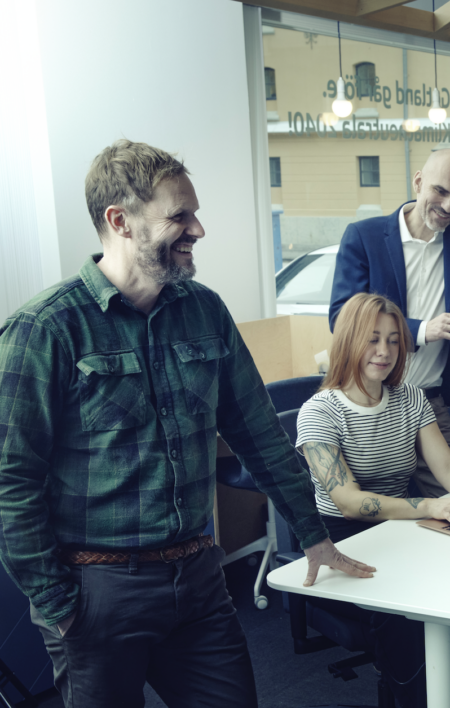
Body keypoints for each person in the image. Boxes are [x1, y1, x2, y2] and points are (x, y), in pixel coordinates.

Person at [0, 140, 373, 708]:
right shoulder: (46, 330)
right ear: (119, 221)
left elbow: (260, 434)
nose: (198, 229)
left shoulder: (205, 311)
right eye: (179, 215)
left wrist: (312, 534)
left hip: (199, 580)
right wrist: (58, 605)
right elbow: (11, 484)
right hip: (97, 592)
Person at [296, 291, 450, 708]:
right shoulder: (319, 412)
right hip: (345, 541)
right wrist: (427, 506)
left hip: (401, 529)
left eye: (393, 340)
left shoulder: (409, 397)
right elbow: (348, 501)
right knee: (406, 622)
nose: (385, 351)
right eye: (373, 339)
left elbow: (447, 471)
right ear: (349, 340)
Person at [330, 148, 450, 499]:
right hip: (369, 403)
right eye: (441, 192)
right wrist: (420, 330)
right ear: (418, 181)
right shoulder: (364, 236)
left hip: (427, 402)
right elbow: (342, 317)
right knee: (373, 516)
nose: (449, 207)